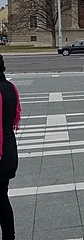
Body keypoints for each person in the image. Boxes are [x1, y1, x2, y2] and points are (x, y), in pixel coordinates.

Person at [0, 54, 21, 240]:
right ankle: (9, 235)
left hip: (0, 153)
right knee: (2, 197)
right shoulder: (9, 88)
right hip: (8, 150)